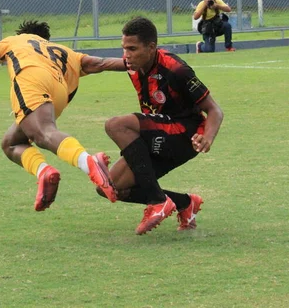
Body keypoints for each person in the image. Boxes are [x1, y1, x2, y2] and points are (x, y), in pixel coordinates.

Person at [0, 20, 126, 211]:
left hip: (32, 79)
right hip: (59, 92)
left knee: (43, 134)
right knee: (11, 143)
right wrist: (140, 63)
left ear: (24, 33)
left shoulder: (16, 40)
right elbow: (103, 63)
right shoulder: (65, 51)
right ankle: (44, 172)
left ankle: (89, 162)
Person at [96, 17, 224, 235]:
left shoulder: (176, 70)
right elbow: (99, 64)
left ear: (151, 47)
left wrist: (208, 138)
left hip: (184, 135)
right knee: (109, 188)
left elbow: (214, 110)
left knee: (116, 126)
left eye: (132, 49)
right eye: (124, 48)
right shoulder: (132, 64)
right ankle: (184, 203)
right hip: (157, 134)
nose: (126, 54)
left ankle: (157, 201)